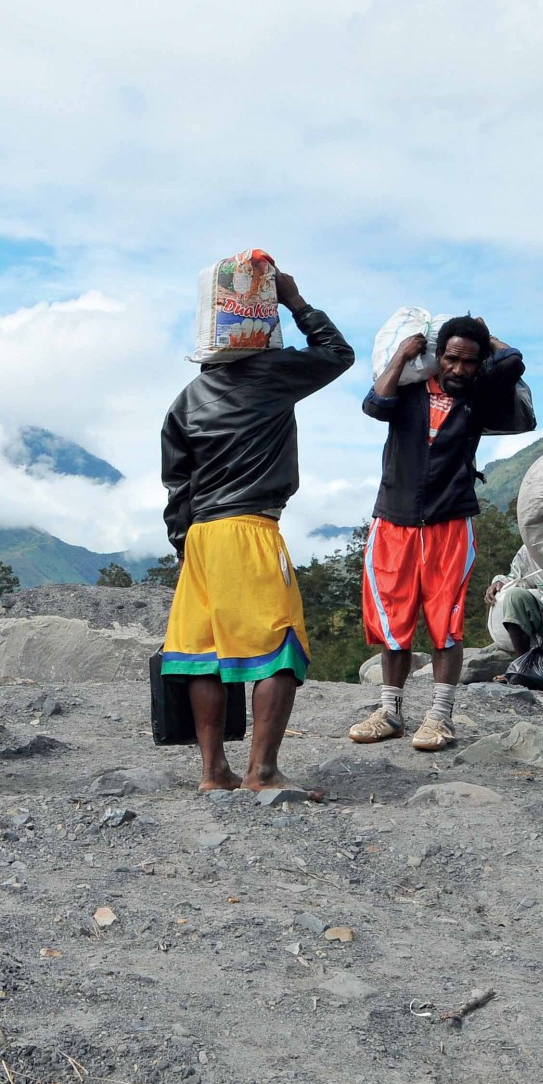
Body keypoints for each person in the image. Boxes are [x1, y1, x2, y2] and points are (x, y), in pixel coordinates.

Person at [159, 253, 353, 791]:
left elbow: (177, 483)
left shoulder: (186, 400)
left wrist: (183, 545)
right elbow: (338, 354)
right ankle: (262, 772)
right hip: (252, 528)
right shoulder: (273, 374)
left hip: (200, 536)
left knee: (204, 654)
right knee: (280, 649)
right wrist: (295, 300)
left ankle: (212, 772)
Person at [351, 316, 525, 751]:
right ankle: (389, 711)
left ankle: (439, 717)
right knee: (394, 621)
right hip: (393, 520)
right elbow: (373, 406)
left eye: (470, 361)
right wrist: (403, 355)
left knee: (445, 622)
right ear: (436, 357)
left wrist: (487, 337)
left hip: (450, 522)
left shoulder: (479, 397)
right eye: (450, 358)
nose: (459, 369)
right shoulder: (408, 391)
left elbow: (513, 361)